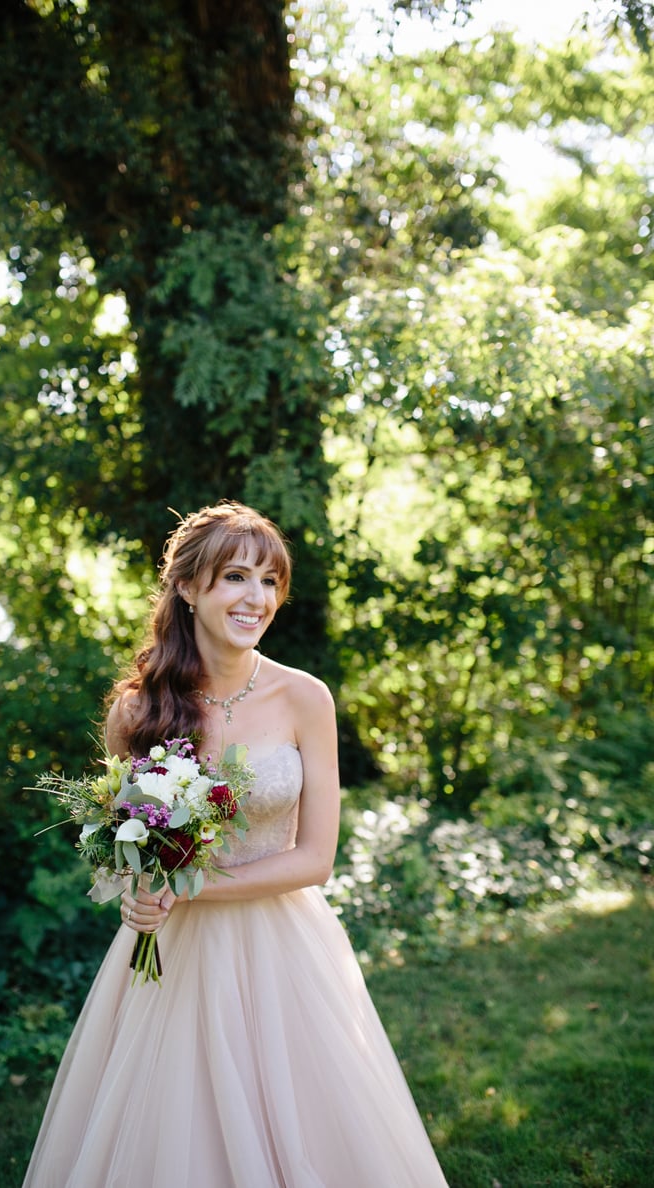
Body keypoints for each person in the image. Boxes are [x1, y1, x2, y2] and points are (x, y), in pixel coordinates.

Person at [22, 501, 449, 1188]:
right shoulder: (139, 709)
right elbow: (126, 836)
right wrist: (136, 894)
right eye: (236, 578)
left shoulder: (305, 698)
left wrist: (191, 889)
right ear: (188, 588)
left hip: (287, 950)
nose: (257, 598)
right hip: (172, 958)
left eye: (270, 581)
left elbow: (315, 860)